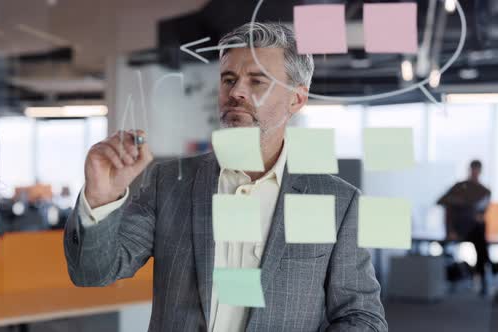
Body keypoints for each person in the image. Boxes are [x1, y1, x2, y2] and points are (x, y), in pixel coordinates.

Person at [64, 22, 387, 331]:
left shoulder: (336, 203)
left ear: (297, 98)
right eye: (228, 79)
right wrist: (100, 198)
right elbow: (92, 273)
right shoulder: (168, 183)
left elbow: (361, 316)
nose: (237, 92)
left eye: (257, 81)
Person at [438, 160, 492, 295]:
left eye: (477, 170)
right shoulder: (459, 187)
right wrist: (450, 230)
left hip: (474, 230)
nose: (474, 173)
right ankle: (488, 268)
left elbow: (482, 213)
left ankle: (483, 275)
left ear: (480, 172)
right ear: (470, 170)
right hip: (458, 229)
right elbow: (443, 202)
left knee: (481, 233)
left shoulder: (484, 191)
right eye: (473, 170)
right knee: (481, 241)